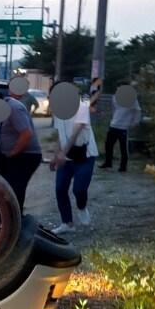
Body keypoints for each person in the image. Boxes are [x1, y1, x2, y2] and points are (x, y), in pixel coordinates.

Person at [50, 96, 99, 235]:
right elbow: (60, 135)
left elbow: (75, 133)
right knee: (60, 189)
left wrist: (62, 153)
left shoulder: (82, 107)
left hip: (85, 156)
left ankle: (82, 207)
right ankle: (67, 223)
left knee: (79, 189)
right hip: (66, 157)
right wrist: (56, 155)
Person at [0, 88, 42, 213]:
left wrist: (12, 154)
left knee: (13, 189)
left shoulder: (13, 108)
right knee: (4, 188)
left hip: (23, 155)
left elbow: (26, 134)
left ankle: (14, 220)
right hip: (5, 154)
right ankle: (9, 217)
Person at [100, 92, 142, 171]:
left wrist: (135, 122)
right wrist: (113, 118)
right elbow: (114, 109)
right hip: (114, 124)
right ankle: (108, 162)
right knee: (108, 145)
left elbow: (137, 110)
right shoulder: (115, 97)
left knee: (123, 148)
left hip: (123, 126)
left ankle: (123, 166)